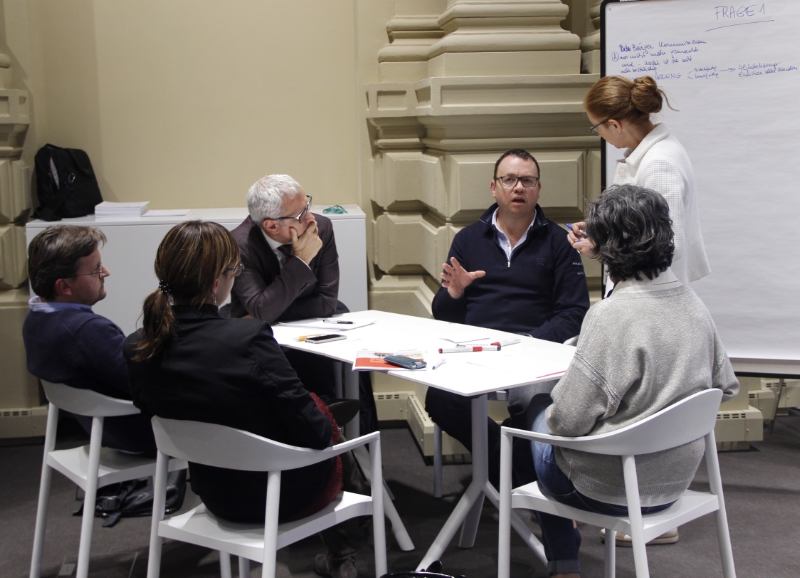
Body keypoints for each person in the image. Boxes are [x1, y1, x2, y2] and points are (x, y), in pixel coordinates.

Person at [124, 220, 362, 578]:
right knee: (329, 425)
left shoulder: (137, 346)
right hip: (284, 495)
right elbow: (316, 434)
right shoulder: (247, 339)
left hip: (215, 495)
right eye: (234, 272)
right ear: (215, 283)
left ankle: (342, 555)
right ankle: (347, 550)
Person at [526, 185, 739, 578]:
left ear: (607, 246)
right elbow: (725, 386)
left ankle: (564, 562)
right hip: (676, 484)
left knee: (535, 411)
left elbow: (566, 423)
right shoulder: (694, 305)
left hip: (607, 489)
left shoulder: (611, 315)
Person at [426, 149, 590, 486]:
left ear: (538, 189)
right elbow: (442, 314)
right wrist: (454, 292)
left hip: (535, 350)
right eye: (509, 179)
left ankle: (511, 477)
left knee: (535, 404)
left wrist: (529, 342)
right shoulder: (468, 239)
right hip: (478, 350)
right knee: (440, 399)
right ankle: (508, 466)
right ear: (494, 187)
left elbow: (575, 313)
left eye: (527, 181)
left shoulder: (559, 242)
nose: (518, 188)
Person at [230, 174, 377, 433]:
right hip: (263, 333)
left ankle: (356, 439)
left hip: (312, 320)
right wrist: (301, 262)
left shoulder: (322, 227)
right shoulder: (239, 245)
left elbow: (326, 302)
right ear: (271, 226)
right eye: (300, 215)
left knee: (351, 352)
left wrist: (269, 311)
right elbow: (260, 310)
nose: (310, 218)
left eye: (307, 206)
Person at [22, 225, 156, 454]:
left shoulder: (35, 319)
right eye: (95, 270)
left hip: (103, 430)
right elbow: (149, 384)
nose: (106, 272)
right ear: (64, 286)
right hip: (141, 435)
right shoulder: (87, 332)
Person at [568, 75, 710, 287]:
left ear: (614, 125)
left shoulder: (658, 164)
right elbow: (643, 226)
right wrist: (601, 229)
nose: (599, 134)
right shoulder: (656, 153)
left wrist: (599, 249)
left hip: (652, 294)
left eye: (596, 128)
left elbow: (668, 245)